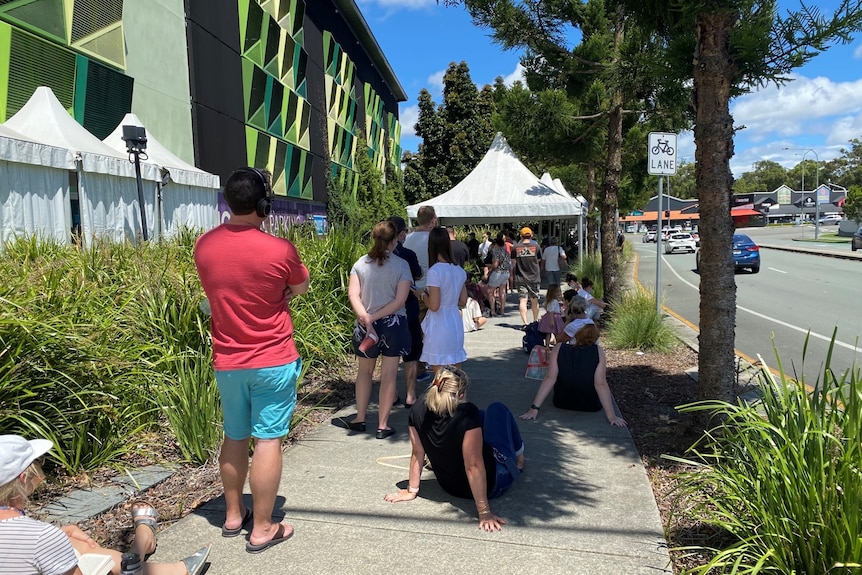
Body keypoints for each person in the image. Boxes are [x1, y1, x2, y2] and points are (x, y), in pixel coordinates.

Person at [194, 167, 309, 553]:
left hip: (228, 360)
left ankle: (231, 515)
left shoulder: (204, 246)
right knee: (268, 440)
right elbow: (300, 287)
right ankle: (262, 528)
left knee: (234, 435)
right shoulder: (281, 250)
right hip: (273, 358)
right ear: (264, 205)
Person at [0, 435, 211, 575]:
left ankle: (142, 546)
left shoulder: (38, 535)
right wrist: (51, 539)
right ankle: (145, 548)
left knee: (71, 543)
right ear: (23, 478)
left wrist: (57, 539)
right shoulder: (41, 537)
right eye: (38, 463)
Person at [383, 368, 525, 532]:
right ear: (461, 394)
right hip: (493, 483)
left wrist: (411, 491)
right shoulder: (466, 413)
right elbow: (473, 466)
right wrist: (484, 511)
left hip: (450, 486)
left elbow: (418, 452)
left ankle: (515, 456)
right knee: (497, 409)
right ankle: (519, 460)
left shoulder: (418, 407)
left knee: (482, 415)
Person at [343, 220, 412, 439]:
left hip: (366, 326)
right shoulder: (401, 265)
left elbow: (353, 294)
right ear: (394, 240)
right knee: (389, 374)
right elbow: (400, 300)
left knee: (364, 372)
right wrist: (376, 316)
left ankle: (360, 418)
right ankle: (383, 424)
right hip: (393, 325)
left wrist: (365, 316)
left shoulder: (360, 264)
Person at [519, 323, 627, 426]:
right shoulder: (598, 352)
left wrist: (534, 409)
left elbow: (550, 378)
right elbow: (600, 384)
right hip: (590, 405)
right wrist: (612, 416)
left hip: (561, 402)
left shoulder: (559, 348)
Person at [419, 227, 468, 371]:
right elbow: (463, 301)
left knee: (440, 374)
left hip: (439, 323)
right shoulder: (459, 270)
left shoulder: (435, 271)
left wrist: (422, 295)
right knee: (456, 374)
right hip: (454, 320)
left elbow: (434, 306)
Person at [389, 216, 423, 408]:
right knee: (411, 353)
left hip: (385, 311)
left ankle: (392, 394)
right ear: (401, 234)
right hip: (408, 308)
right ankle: (411, 395)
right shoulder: (408, 255)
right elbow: (417, 274)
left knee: (390, 355)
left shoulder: (374, 257)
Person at [511, 227, 542, 327]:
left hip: (520, 277)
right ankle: (535, 320)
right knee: (534, 299)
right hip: (534, 277)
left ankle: (525, 323)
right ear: (531, 235)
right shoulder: (536, 246)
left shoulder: (516, 247)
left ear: (521, 235)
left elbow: (512, 261)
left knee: (522, 300)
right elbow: (539, 260)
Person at [481, 232, 510, 317]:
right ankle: (502, 310)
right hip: (506, 272)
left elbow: (495, 265)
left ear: (496, 244)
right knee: (502, 292)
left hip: (497, 273)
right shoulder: (506, 251)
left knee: (491, 292)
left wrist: (488, 266)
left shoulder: (496, 251)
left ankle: (493, 311)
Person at [537, 283, 564, 348]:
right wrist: (551, 320)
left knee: (548, 333)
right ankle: (558, 345)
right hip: (554, 318)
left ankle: (547, 345)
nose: (559, 293)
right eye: (558, 291)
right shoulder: (554, 301)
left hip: (550, 317)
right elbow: (551, 311)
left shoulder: (551, 301)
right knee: (556, 333)